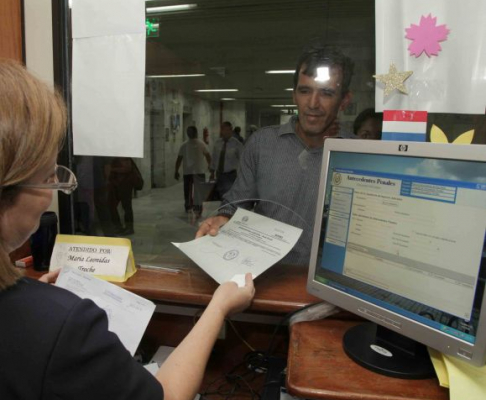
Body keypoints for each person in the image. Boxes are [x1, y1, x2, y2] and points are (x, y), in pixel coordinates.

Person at [0, 60, 254, 400]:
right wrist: (219, 306)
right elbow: (167, 394)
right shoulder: (60, 324)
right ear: (10, 185)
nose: (49, 197)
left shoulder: (43, 315)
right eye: (48, 177)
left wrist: (39, 302)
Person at [197, 42, 354, 266]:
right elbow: (235, 204)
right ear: (294, 95)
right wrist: (223, 218)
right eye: (305, 91)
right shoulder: (262, 144)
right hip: (262, 276)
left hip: (327, 284)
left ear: (344, 101)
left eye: (326, 93)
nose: (312, 104)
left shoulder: (358, 156)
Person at [174, 126, 211, 215]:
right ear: (196, 133)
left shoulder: (184, 145)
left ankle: (188, 206)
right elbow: (208, 156)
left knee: (187, 191)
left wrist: (176, 170)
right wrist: (210, 166)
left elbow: (179, 159)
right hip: (199, 171)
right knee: (198, 191)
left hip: (188, 172)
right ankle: (198, 207)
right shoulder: (201, 144)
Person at [210, 121, 243, 199]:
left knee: (229, 196)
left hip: (230, 175)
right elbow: (214, 158)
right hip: (219, 175)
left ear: (231, 131)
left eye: (229, 130)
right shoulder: (217, 143)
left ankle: (229, 210)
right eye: (225, 130)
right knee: (220, 196)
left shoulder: (237, 144)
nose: (227, 132)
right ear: (221, 131)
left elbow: (243, 160)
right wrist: (212, 173)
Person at [108, 157, 137, 235]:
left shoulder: (124, 157)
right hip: (116, 185)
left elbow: (127, 169)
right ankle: (118, 226)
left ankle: (129, 228)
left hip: (125, 185)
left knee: (126, 207)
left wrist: (112, 169)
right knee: (112, 206)